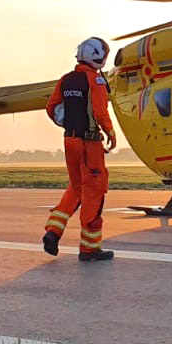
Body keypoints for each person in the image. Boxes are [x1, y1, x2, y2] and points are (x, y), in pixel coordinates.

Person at [41, 37, 117, 261]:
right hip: (89, 144)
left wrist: (69, 123)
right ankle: (89, 248)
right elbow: (101, 112)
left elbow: (52, 107)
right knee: (94, 191)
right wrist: (111, 134)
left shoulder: (66, 80)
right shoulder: (95, 81)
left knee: (76, 188)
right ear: (99, 57)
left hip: (70, 141)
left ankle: (53, 232)